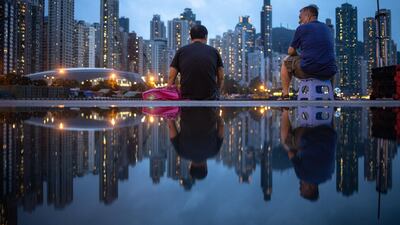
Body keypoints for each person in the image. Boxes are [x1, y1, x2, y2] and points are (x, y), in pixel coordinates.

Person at [280, 5, 337, 100]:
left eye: (300, 18)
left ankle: (285, 95)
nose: (299, 21)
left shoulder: (302, 28)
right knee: (331, 62)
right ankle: (332, 93)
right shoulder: (327, 29)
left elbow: (290, 51)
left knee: (285, 62)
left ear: (308, 15)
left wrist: (298, 56)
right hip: (329, 72)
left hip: (309, 70)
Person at [280, 109, 337, 201]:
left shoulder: (328, 175)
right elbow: (291, 154)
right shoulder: (303, 176)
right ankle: (285, 109)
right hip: (310, 134)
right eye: (301, 189)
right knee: (286, 143)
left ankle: (331, 111)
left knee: (330, 138)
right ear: (310, 189)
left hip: (329, 132)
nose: (299, 186)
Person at [167, 25, 224, 100]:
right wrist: (217, 92)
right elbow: (221, 77)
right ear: (206, 37)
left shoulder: (181, 51)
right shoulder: (214, 52)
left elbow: (171, 77)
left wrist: (168, 94)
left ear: (191, 37)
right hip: (209, 100)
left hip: (186, 100)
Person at [168, 107, 224, 180]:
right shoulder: (181, 152)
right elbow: (171, 125)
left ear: (206, 167)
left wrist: (217, 115)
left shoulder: (214, 151)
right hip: (186, 103)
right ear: (190, 166)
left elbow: (221, 126)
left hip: (210, 103)